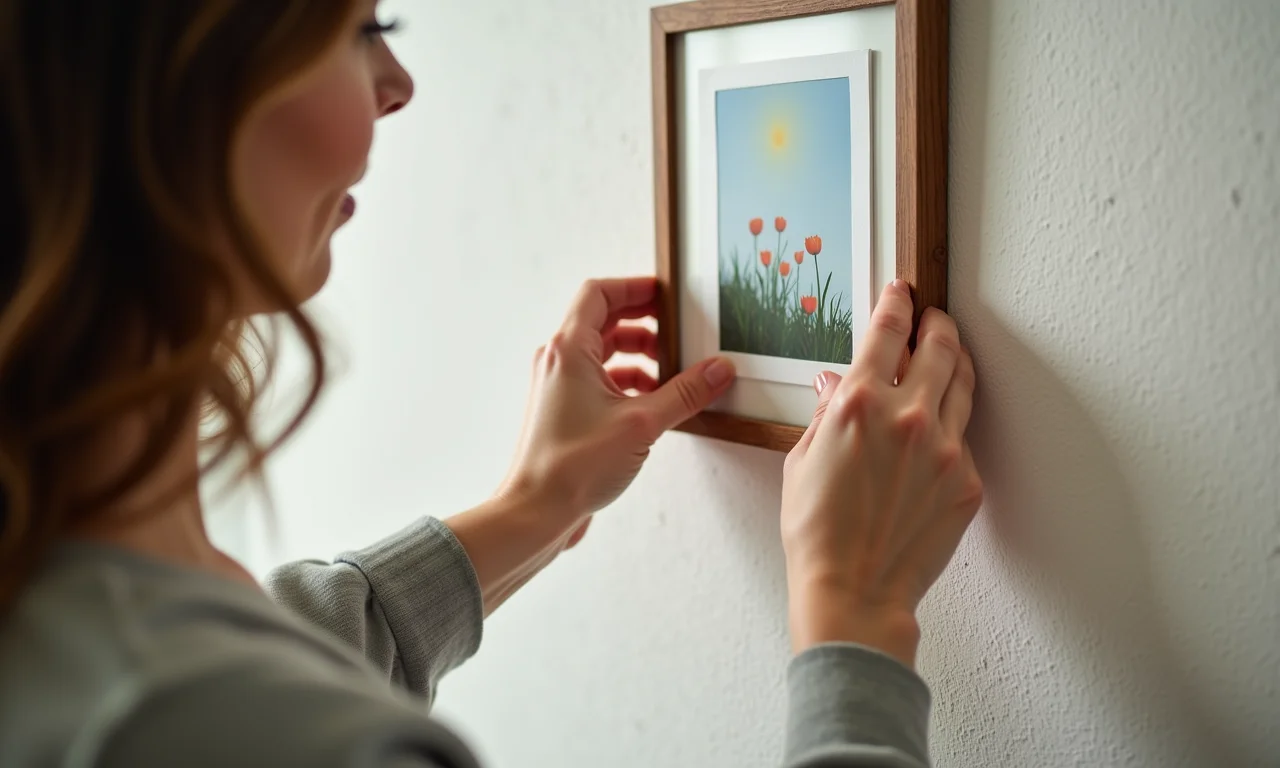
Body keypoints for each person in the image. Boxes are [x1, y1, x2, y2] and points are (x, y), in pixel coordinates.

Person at [0, 2, 982, 766]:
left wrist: (536, 505)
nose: (397, 82)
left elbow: (261, 651)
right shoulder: (242, 731)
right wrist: (853, 609)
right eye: (359, 27)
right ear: (165, 84)